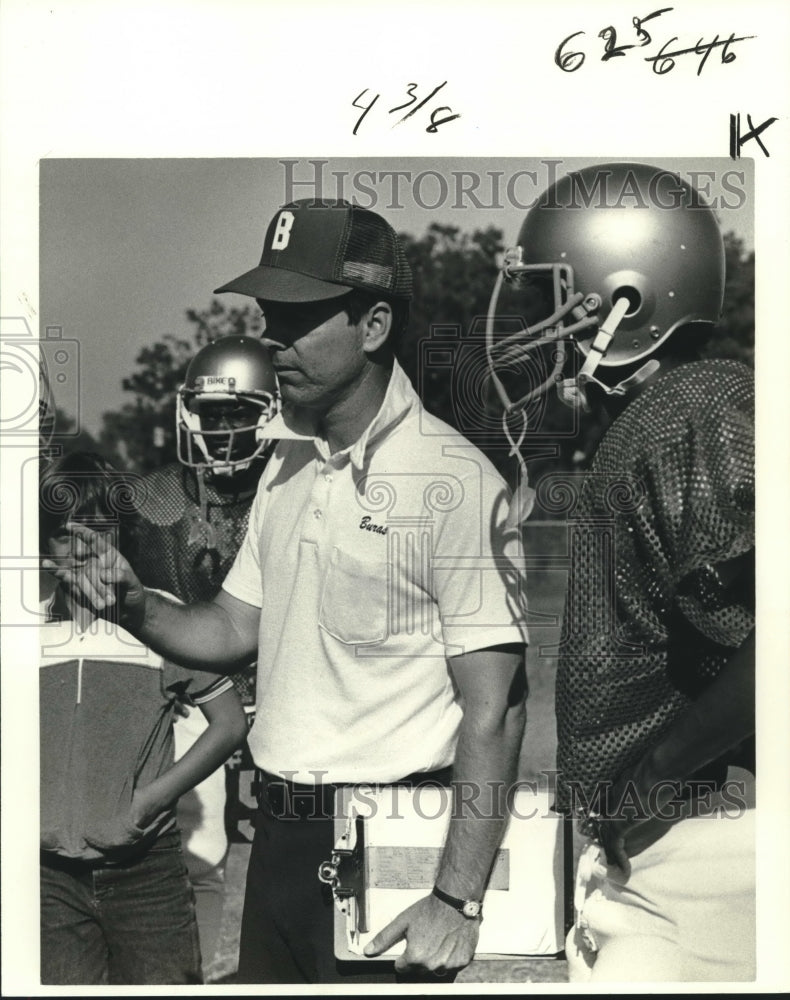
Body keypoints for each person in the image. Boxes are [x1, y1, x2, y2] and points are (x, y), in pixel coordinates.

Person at [42, 198, 530, 985]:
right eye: (271, 315)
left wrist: (456, 897)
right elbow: (231, 629)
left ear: (373, 326)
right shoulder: (288, 464)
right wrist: (130, 602)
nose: (276, 339)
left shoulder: (452, 479)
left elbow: (497, 709)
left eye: (299, 317)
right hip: (280, 836)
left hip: (393, 830)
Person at [486, 162, 755, 982]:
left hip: (695, 846)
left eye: (557, 303)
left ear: (627, 302)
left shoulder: (692, 411)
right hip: (674, 843)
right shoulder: (665, 415)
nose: (538, 328)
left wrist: (652, 775)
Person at [39, 451, 248, 985]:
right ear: (44, 543)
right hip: (47, 882)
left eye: (99, 532)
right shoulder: (21, 627)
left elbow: (228, 725)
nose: (84, 549)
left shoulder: (158, 616)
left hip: (145, 876)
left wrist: (148, 803)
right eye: (67, 534)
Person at [134, 334, 278, 976]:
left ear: (272, 411)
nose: (221, 430)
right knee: (198, 847)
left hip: (287, 690)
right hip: (196, 700)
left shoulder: (297, 486)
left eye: (237, 413)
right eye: (211, 413)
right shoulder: (151, 501)